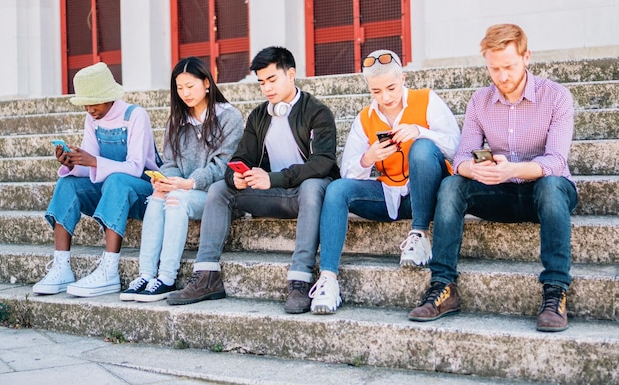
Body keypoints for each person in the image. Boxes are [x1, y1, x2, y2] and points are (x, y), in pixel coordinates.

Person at [408, 24, 578, 332]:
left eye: (509, 67)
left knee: (552, 186)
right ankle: (443, 286)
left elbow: (555, 161)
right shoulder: (479, 101)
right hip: (498, 191)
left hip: (543, 192)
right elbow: (460, 158)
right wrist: (474, 170)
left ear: (527, 57)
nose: (502, 77)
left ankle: (555, 291)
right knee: (451, 185)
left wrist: (512, 169)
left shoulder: (557, 97)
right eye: (494, 69)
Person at [166, 46, 340, 313]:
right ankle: (207, 275)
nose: (266, 88)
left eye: (272, 80)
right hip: (271, 193)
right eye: (261, 82)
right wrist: (235, 176)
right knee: (219, 189)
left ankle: (300, 281)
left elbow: (323, 163)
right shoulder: (259, 116)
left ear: (291, 74)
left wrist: (275, 178)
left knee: (312, 185)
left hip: (307, 194)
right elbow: (241, 156)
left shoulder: (318, 112)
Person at [308, 49, 460, 314]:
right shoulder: (365, 118)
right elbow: (347, 172)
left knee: (422, 148)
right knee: (336, 189)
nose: (386, 97)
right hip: (389, 193)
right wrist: (368, 159)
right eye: (376, 91)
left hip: (428, 194)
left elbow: (457, 147)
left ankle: (420, 234)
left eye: (391, 87)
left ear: (403, 78)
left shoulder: (426, 100)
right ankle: (328, 279)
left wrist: (419, 132)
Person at [119, 57, 243, 302]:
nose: (185, 93)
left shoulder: (229, 117)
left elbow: (223, 165)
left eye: (190, 85)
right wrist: (169, 181)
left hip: (216, 194)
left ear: (207, 83)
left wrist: (188, 183)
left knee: (174, 199)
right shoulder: (177, 119)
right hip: (183, 189)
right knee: (156, 197)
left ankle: (166, 277)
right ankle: (146, 275)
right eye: (179, 87)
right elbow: (171, 162)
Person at [32, 62, 160, 297]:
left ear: (110, 96)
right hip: (110, 194)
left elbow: (134, 167)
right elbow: (89, 167)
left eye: (95, 102)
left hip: (144, 194)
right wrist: (72, 163)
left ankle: (109, 271)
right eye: (85, 104)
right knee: (67, 182)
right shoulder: (92, 120)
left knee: (117, 181)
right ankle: (61, 267)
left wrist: (92, 161)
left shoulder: (135, 116)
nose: (90, 109)